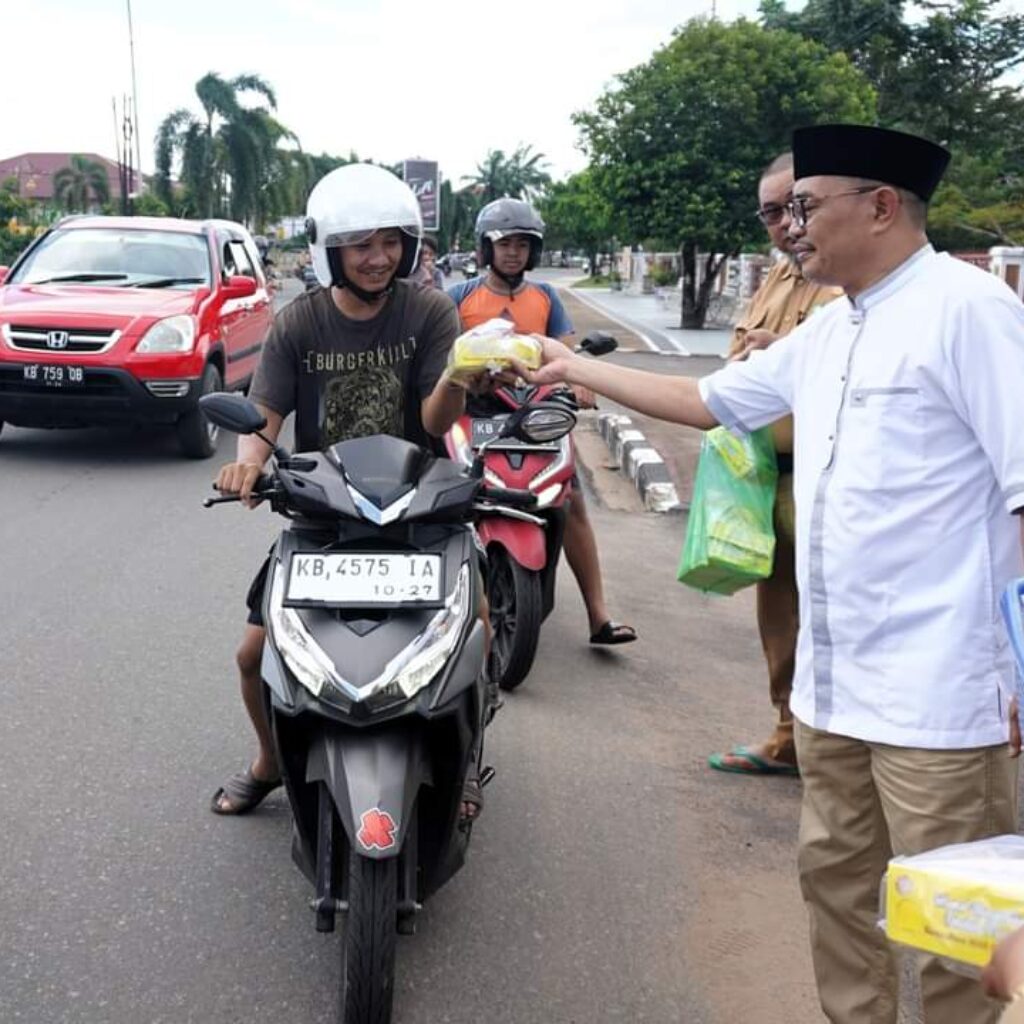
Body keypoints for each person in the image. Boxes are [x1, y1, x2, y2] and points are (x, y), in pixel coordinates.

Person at [518, 124, 1024, 1024]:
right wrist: (572, 370)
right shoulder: (835, 326)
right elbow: (709, 400)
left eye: (805, 205)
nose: (790, 227)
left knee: (955, 920)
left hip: (941, 691)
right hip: (833, 690)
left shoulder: (970, 311)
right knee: (835, 887)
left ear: (879, 206)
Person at [210, 163, 494, 819]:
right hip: (324, 514)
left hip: (422, 505)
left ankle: (463, 758)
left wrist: (456, 374)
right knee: (254, 654)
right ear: (329, 249)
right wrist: (247, 464)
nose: (378, 258)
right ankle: (271, 758)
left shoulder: (427, 311)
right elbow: (265, 416)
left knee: (471, 635)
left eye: (390, 241)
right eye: (362, 244)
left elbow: (434, 423)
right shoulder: (299, 324)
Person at [447, 198, 637, 647]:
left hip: (537, 416)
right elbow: (442, 352)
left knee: (570, 499)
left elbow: (568, 352)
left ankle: (598, 615)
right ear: (485, 248)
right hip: (475, 416)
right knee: (450, 497)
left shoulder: (545, 297)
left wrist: (583, 380)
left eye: (522, 245)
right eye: (504, 243)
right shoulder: (459, 298)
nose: (513, 253)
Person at [707, 152, 842, 778]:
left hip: (827, 478)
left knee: (831, 615)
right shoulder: (779, 279)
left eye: (797, 205)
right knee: (779, 613)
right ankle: (787, 732)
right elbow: (735, 363)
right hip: (770, 473)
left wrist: (780, 351)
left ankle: (834, 747)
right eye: (771, 213)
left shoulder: (848, 280)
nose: (786, 224)